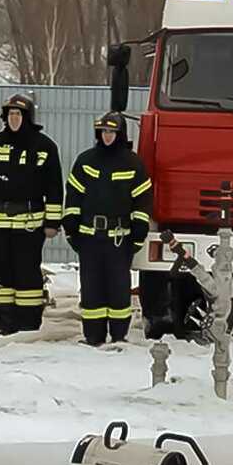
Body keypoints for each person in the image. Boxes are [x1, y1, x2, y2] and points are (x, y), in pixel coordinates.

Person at [63, 112, 151, 346]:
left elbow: (142, 202)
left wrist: (138, 235)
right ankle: (93, 335)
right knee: (91, 288)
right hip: (89, 237)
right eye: (103, 132)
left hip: (119, 240)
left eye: (111, 132)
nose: (107, 136)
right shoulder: (86, 161)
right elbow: (73, 197)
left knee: (118, 288)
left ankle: (119, 336)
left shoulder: (133, 164)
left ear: (120, 134)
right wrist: (71, 229)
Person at [0, 93, 63, 334]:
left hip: (30, 222)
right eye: (10, 115)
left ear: (28, 117)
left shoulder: (44, 146)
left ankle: (28, 323)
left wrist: (52, 222)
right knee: (2, 272)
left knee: (27, 272)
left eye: (18, 114)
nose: (14, 118)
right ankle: (4, 322)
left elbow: (55, 188)